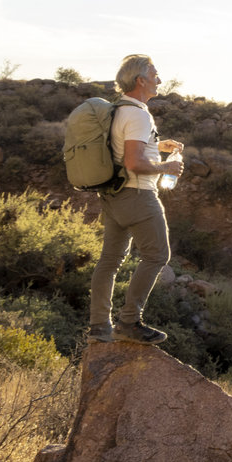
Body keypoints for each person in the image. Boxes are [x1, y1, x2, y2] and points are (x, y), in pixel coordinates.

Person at [89, 54, 185, 345]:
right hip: (138, 195)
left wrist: (157, 145)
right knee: (157, 256)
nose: (159, 79)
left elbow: (123, 147)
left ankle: (98, 328)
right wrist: (166, 167)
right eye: (155, 74)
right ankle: (129, 322)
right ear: (141, 80)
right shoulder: (139, 114)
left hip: (113, 196)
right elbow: (133, 162)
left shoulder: (119, 110)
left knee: (109, 261)